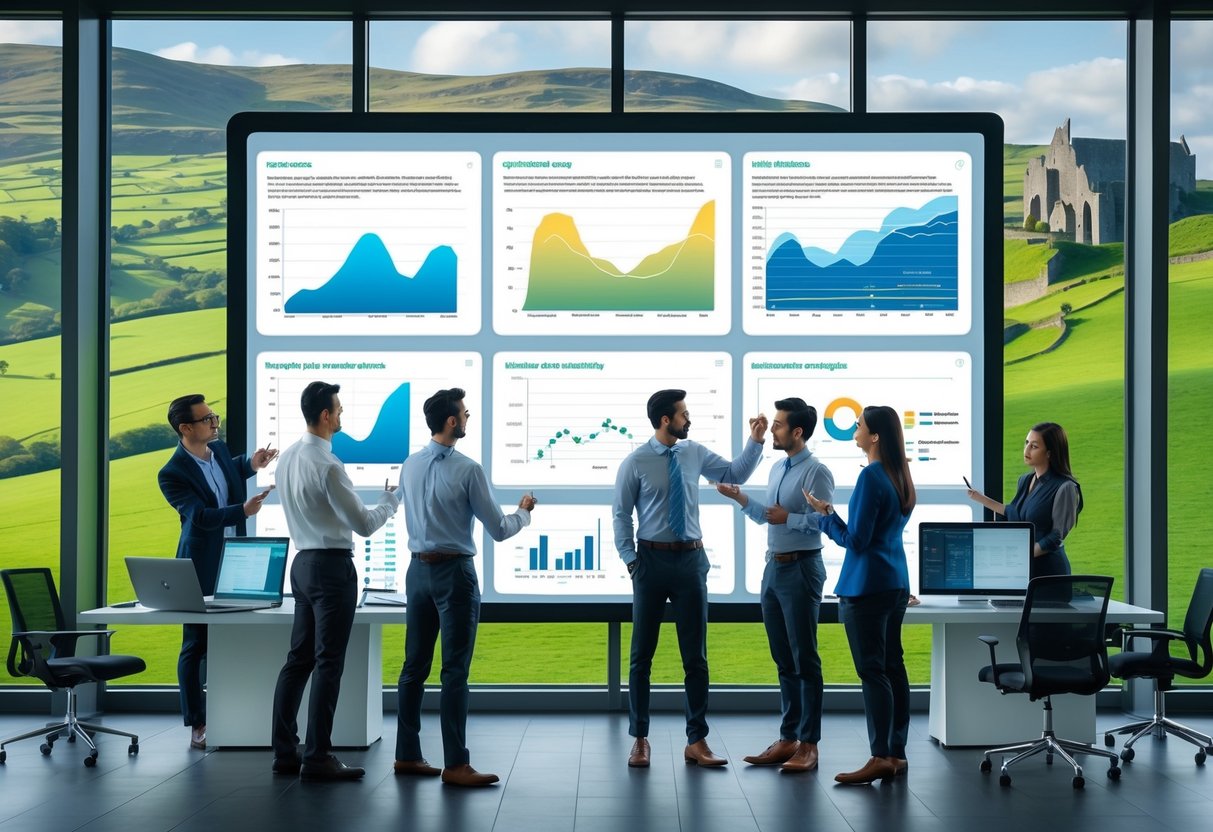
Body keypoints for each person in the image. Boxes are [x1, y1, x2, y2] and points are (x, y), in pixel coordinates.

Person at [614, 388, 767, 768]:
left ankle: (696, 741)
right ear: (666, 420)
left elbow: (735, 473)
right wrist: (633, 562)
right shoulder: (635, 461)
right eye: (684, 414)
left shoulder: (693, 452)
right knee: (640, 657)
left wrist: (755, 441)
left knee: (695, 657)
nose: (688, 419)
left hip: (691, 563)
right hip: (650, 563)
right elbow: (621, 516)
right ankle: (639, 740)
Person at [394, 388, 536, 787]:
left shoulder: (409, 464)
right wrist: (524, 514)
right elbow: (499, 530)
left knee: (412, 669)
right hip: (454, 576)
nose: (469, 417)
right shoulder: (468, 469)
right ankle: (456, 765)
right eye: (465, 413)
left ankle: (406, 755)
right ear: (452, 422)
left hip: (416, 573)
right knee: (454, 672)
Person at [270, 381, 400, 781]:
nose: (342, 415)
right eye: (339, 410)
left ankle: (286, 753)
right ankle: (319, 756)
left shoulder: (288, 457)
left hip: (302, 564)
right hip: (331, 570)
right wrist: (391, 502)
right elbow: (363, 524)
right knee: (329, 663)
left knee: (298, 661)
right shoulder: (328, 465)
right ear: (325, 416)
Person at [717, 398, 833, 773]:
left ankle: (809, 745)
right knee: (784, 659)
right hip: (774, 571)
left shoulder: (817, 471)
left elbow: (824, 522)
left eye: (779, 425)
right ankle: (788, 739)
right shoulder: (777, 468)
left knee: (805, 659)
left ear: (797, 432)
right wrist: (740, 498)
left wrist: (792, 517)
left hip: (802, 569)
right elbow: (769, 518)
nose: (772, 430)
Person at [157, 394, 276, 751]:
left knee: (237, 635)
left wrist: (252, 464)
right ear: (186, 428)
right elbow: (202, 517)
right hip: (200, 563)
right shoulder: (172, 474)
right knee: (196, 643)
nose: (215, 423)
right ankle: (198, 722)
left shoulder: (219, 450)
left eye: (214, 416)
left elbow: (230, 470)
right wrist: (242, 510)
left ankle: (237, 714)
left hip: (236, 558)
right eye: (207, 418)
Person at [805, 405, 914, 785]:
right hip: (895, 582)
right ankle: (896, 752)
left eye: (859, 425)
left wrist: (823, 520)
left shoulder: (871, 477)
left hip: (866, 587)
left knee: (872, 670)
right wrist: (831, 511)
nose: (854, 429)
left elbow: (856, 540)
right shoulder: (900, 475)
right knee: (892, 666)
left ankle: (880, 755)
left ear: (875, 436)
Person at [966, 421, 1083, 579]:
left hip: (1049, 574)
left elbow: (1056, 537)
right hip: (1021, 570)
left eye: (1034, 446)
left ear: (1050, 453)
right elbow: (1012, 513)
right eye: (1026, 443)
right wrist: (979, 498)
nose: (1026, 450)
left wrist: (1022, 555)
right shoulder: (1025, 480)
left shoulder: (1065, 487)